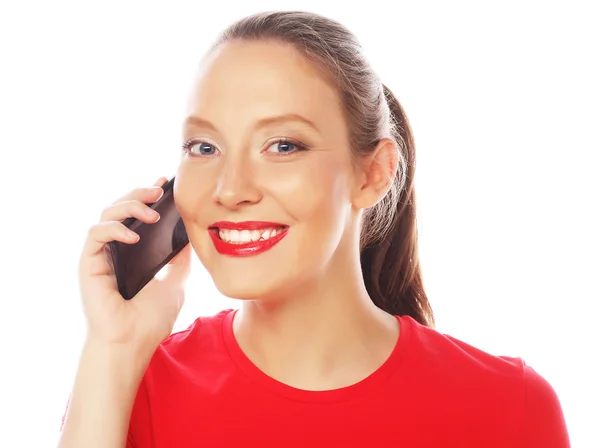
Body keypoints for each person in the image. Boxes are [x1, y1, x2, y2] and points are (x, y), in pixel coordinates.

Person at [58, 10, 570, 447]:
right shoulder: (131, 383)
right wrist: (114, 348)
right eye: (204, 148)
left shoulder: (510, 410)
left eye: (283, 146)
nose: (230, 190)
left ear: (373, 174)